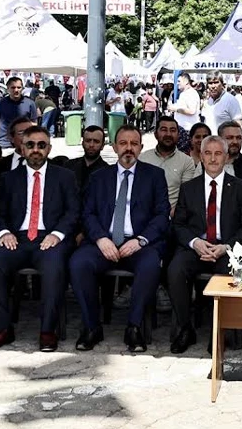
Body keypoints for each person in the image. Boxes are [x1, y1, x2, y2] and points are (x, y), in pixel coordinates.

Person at [70, 125, 171, 352]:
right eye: (123, 143)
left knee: (150, 264)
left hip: (138, 243)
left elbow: (161, 215)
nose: (128, 148)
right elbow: (87, 213)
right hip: (103, 242)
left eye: (134, 144)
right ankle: (91, 327)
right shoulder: (99, 177)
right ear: (114, 147)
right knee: (78, 263)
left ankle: (134, 327)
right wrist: (100, 239)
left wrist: (141, 240)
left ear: (141, 148)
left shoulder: (154, 176)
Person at [0, 125, 80, 352]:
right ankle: (2, 329)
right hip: (16, 238)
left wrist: (57, 235)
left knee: (54, 268)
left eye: (41, 145)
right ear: (22, 148)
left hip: (49, 238)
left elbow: (73, 211)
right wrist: (4, 233)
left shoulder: (65, 176)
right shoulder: (9, 178)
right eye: (30, 145)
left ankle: (47, 331)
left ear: (49, 149)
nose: (36, 149)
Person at [167, 135, 242, 353]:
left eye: (218, 154)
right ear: (201, 156)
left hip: (227, 250)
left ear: (226, 157)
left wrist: (226, 247)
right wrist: (195, 242)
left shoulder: (241, 187)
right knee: (175, 270)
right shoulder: (189, 188)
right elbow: (178, 225)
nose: (213, 158)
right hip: (196, 248)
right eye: (208, 153)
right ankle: (185, 328)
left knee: (230, 271)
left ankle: (220, 332)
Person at [139, 116, 198, 213]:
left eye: (173, 130)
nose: (168, 134)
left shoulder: (186, 162)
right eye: (164, 130)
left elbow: (186, 197)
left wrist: (168, 216)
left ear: (178, 135)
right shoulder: (142, 158)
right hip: (144, 214)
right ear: (155, 134)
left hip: (173, 216)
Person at [0, 76, 39, 150]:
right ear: (8, 88)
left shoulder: (30, 103)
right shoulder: (0, 103)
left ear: (22, 88)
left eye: (19, 87)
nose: (16, 90)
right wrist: (2, 133)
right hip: (4, 144)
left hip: (24, 144)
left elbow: (34, 123)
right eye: (13, 87)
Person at [0, 116, 34, 184]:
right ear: (11, 138)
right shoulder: (0, 165)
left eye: (30, 132)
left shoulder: (47, 164)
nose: (27, 137)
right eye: (21, 133)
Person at [66, 125, 108, 196]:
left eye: (96, 141)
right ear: (82, 143)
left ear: (102, 146)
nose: (91, 145)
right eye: (88, 141)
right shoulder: (69, 166)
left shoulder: (107, 172)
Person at [168, 73, 201, 153]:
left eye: (179, 81)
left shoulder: (191, 93)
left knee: (184, 155)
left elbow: (192, 111)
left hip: (187, 130)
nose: (177, 83)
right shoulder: (183, 94)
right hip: (181, 129)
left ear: (186, 82)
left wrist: (176, 109)